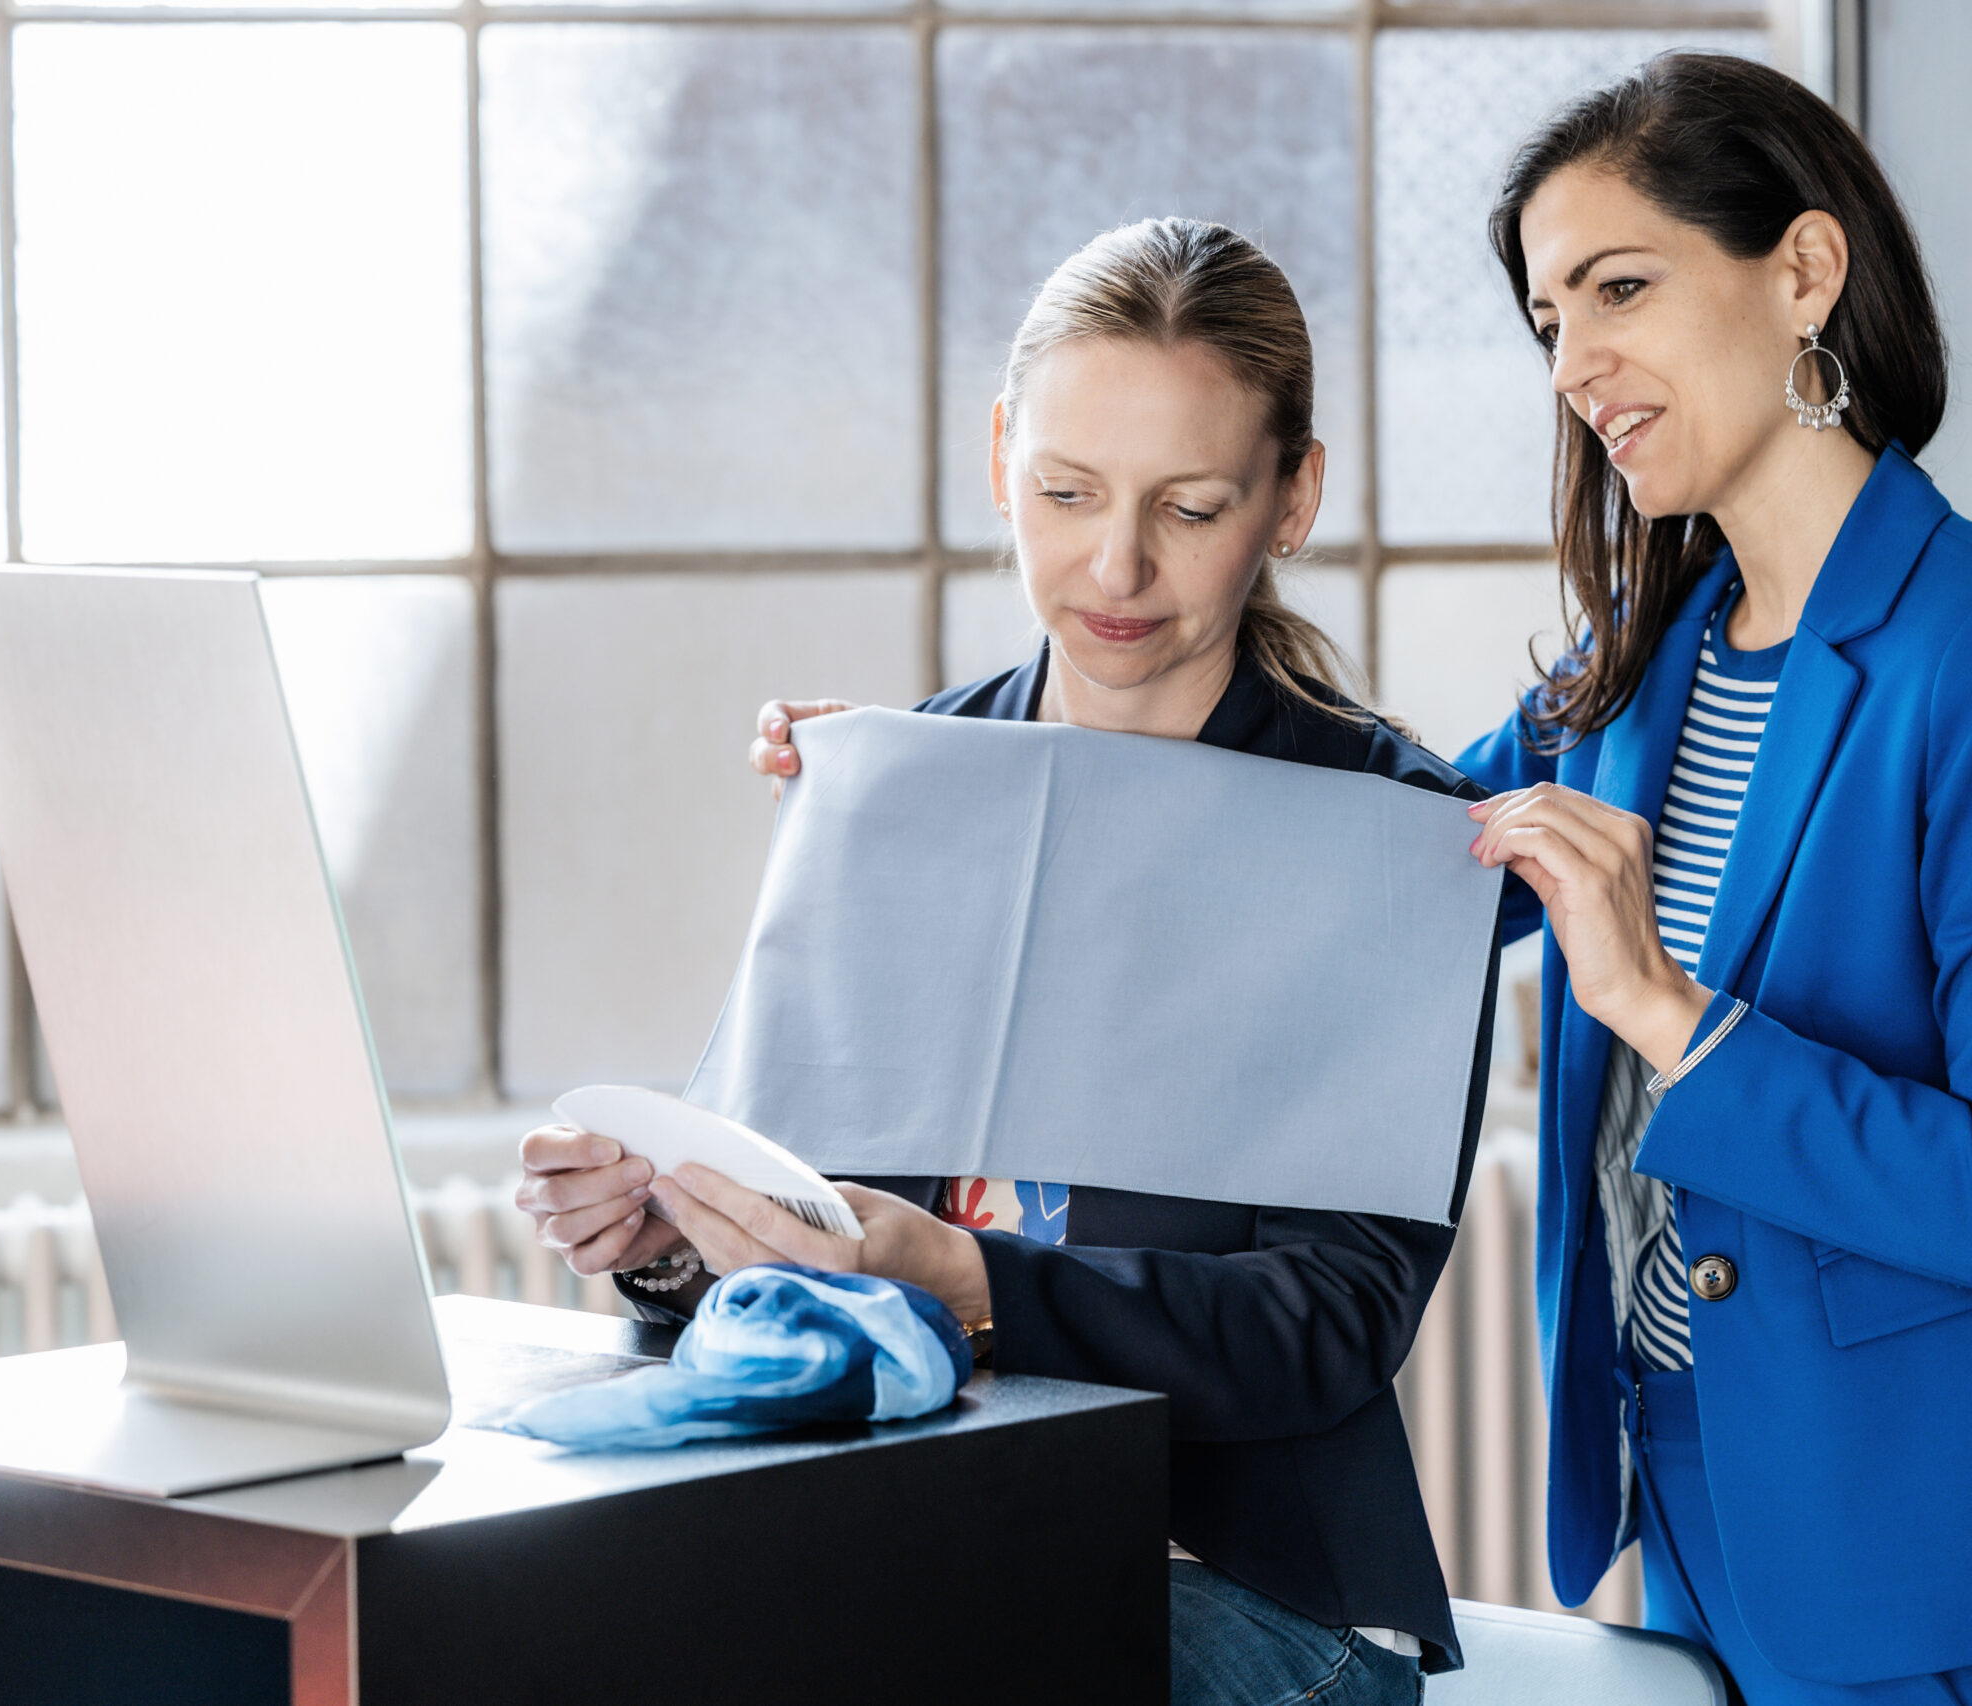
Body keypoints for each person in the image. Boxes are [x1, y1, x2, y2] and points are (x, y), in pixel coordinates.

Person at [518, 217, 1498, 1704]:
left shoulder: (1390, 834)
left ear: (1293, 497)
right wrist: (658, 1230)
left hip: (1236, 1581)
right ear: (999, 460)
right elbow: (794, 1200)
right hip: (908, 1531)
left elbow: (1331, 1320)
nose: (1116, 564)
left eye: (1192, 504)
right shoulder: (898, 778)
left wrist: (970, 1279)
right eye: (1065, 491)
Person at [1454, 52, 1972, 1705]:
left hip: (1943, 1546)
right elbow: (1392, 858)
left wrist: (1663, 1008)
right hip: (1702, 1485)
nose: (1575, 362)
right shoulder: (1638, 662)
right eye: (1549, 318)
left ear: (1802, 271)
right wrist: (962, 760)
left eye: (1618, 288)